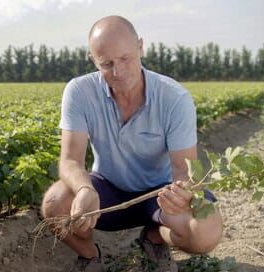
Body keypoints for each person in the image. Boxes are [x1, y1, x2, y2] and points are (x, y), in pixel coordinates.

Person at [41, 15, 223, 272]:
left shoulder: (174, 98)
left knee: (207, 231)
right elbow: (70, 160)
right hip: (108, 194)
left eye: (125, 58)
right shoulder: (79, 92)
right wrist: (85, 190)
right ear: (93, 60)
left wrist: (181, 193)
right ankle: (90, 256)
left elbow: (183, 168)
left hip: (160, 195)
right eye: (106, 64)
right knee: (54, 202)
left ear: (140, 47)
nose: (118, 72)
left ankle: (154, 238)